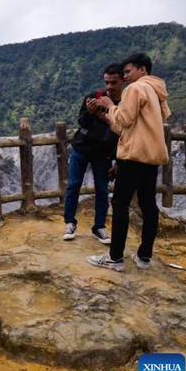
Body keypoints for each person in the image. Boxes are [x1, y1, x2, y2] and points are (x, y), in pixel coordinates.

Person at [86, 52, 171, 271]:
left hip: (134, 155)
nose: (125, 77)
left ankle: (115, 258)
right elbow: (133, 125)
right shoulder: (156, 91)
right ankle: (144, 257)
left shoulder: (135, 88)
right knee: (148, 204)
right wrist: (105, 116)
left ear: (142, 69)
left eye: (127, 71)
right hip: (152, 156)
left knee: (120, 203)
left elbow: (123, 119)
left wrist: (110, 105)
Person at [63, 63, 124, 244]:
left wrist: (118, 160)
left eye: (113, 83)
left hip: (104, 154)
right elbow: (82, 122)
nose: (109, 87)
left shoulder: (126, 104)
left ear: (122, 81)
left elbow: (125, 132)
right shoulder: (93, 97)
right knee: (73, 186)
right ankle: (69, 223)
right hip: (81, 148)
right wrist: (90, 113)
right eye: (107, 82)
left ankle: (99, 227)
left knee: (102, 191)